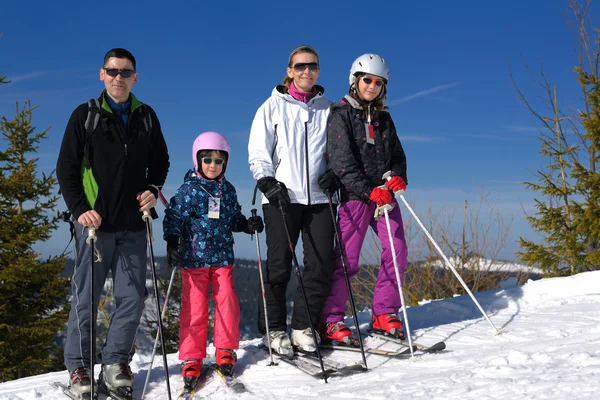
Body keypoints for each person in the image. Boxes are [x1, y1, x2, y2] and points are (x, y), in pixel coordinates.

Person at [56, 48, 170, 398]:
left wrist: (153, 190)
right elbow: (66, 168)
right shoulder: (86, 115)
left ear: (135, 77)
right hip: (94, 225)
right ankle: (79, 365)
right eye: (112, 71)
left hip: (134, 224)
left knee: (132, 297)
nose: (118, 77)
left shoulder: (145, 116)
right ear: (101, 74)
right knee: (86, 297)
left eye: (125, 72)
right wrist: (79, 209)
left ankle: (115, 362)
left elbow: (161, 161)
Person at [248, 45, 336, 355]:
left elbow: (337, 151)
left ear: (318, 70)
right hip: (282, 198)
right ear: (289, 71)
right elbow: (259, 153)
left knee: (321, 262)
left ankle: (302, 326)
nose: (306, 71)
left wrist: (335, 174)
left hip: (320, 199)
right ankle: (273, 329)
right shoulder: (270, 108)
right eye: (300, 66)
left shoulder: (329, 109)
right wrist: (267, 181)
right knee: (278, 266)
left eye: (312, 66)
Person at [319, 54, 409, 344]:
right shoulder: (340, 114)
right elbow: (341, 162)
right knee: (348, 258)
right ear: (355, 81)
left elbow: (397, 155)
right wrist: (367, 190)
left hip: (383, 195)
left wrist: (397, 176)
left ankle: (384, 312)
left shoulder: (385, 118)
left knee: (397, 251)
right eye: (367, 80)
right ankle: (331, 319)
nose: (372, 86)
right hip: (355, 196)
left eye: (378, 82)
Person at [163, 131, 264, 389]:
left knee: (227, 304)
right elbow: (173, 219)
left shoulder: (227, 190)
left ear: (225, 163)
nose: (212, 165)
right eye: (207, 159)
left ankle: (225, 349)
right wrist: (173, 242)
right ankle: (191, 357)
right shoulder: (188, 191)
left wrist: (245, 224)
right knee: (194, 310)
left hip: (222, 258)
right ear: (197, 160)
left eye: (218, 161)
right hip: (194, 260)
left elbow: (233, 218)